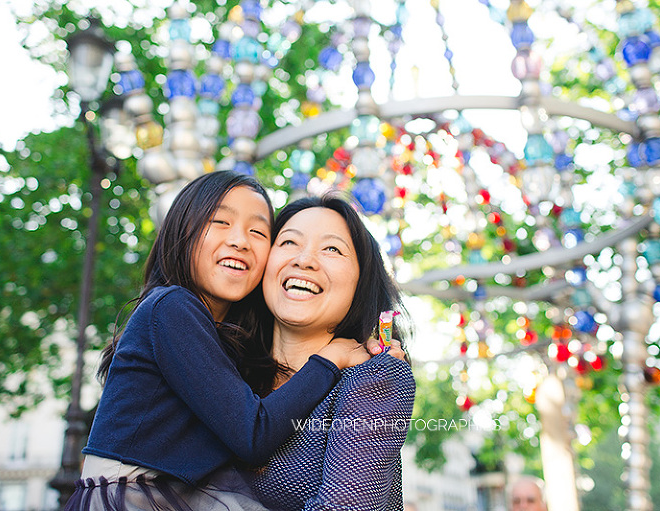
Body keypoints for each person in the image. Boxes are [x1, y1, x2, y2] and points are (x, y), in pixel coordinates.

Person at [65, 171, 396, 510]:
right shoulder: (172, 307)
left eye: (258, 231)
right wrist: (331, 357)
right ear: (181, 231)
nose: (240, 240)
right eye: (220, 221)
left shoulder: (230, 347)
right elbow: (253, 434)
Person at [217, 194, 416, 510]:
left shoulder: (375, 376)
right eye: (289, 243)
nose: (305, 260)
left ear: (360, 282)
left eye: (332, 249)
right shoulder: (219, 366)